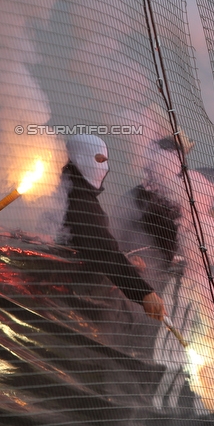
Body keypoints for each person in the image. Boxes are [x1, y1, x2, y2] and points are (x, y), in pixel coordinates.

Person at [61, 134, 165, 322]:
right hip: (63, 306)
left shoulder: (75, 193)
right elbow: (103, 251)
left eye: (105, 160)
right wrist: (143, 292)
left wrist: (124, 259)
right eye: (99, 159)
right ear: (79, 158)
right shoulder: (78, 199)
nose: (105, 167)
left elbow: (94, 245)